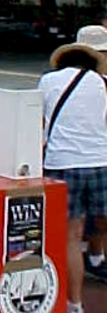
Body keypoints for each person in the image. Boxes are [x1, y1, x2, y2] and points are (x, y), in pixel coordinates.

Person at [39, 37, 107, 312]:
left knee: (70, 235)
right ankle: (96, 254)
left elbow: (39, 121)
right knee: (101, 221)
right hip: (101, 162)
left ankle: (74, 304)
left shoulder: (47, 81)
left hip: (61, 163)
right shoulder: (103, 83)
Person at [75, 22, 107, 283]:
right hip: (98, 157)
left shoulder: (53, 79)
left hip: (64, 158)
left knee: (73, 221)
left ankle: (88, 256)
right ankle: (94, 257)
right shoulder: (102, 84)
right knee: (99, 212)